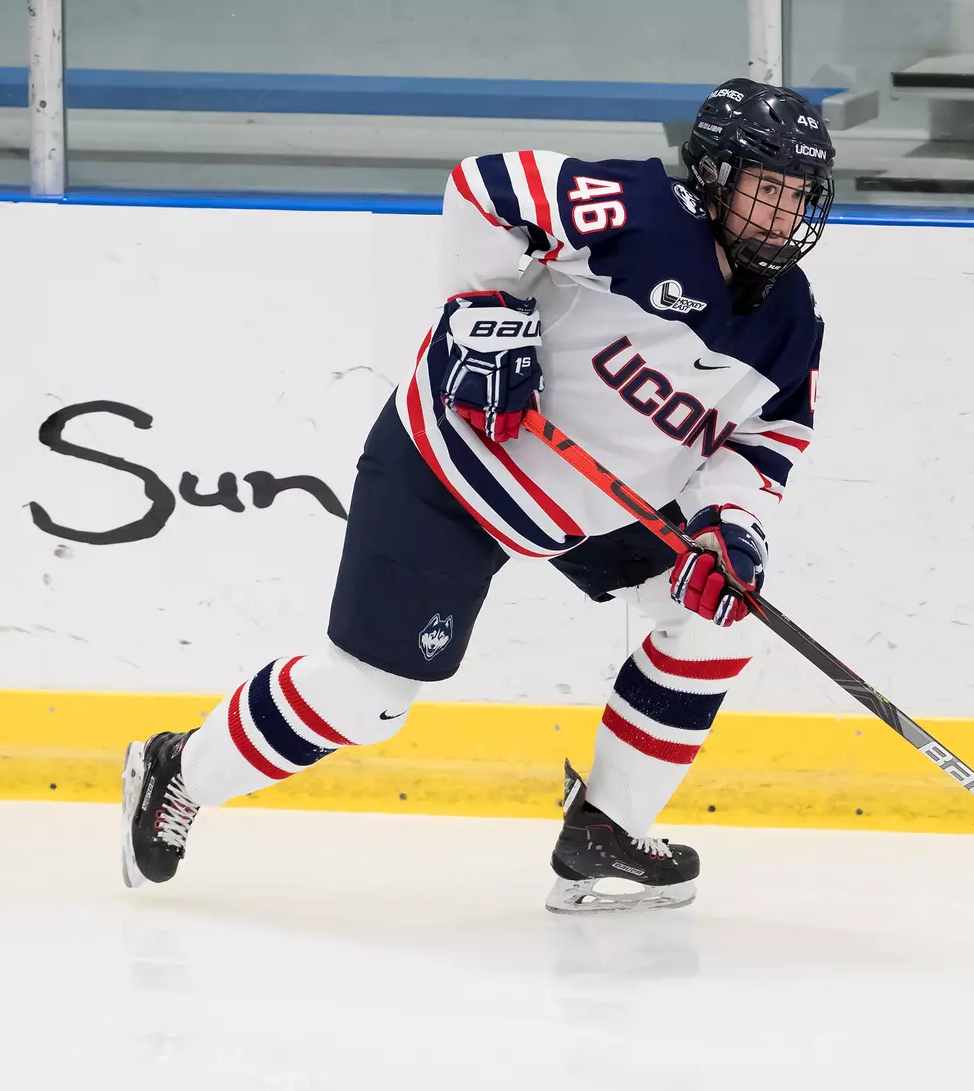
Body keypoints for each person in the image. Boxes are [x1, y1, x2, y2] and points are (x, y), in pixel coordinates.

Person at [119, 79, 835, 914]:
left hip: (603, 506)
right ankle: (181, 770)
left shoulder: (791, 319)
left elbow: (767, 438)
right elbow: (485, 189)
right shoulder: (637, 210)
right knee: (368, 700)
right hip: (456, 462)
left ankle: (606, 828)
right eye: (768, 187)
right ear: (714, 175)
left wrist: (727, 528)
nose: (784, 214)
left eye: (798, 196)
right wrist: (486, 305)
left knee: (717, 616)